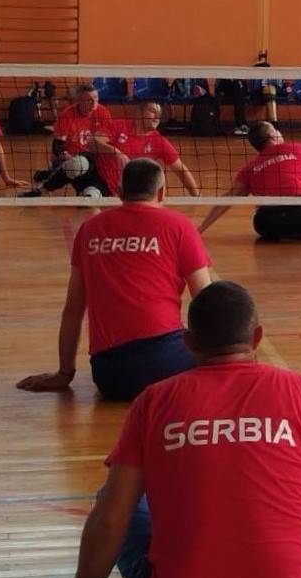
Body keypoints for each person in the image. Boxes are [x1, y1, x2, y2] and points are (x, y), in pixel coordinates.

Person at [70, 281, 301, 578]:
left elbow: (110, 520)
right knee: (294, 531)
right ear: (257, 338)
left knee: (113, 498)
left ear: (188, 342)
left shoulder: (153, 401)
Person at [18, 159, 212, 401]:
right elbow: (209, 303)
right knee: (230, 340)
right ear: (162, 192)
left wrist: (64, 373)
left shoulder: (89, 230)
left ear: (119, 192)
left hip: (110, 375)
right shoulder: (180, 226)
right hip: (168, 363)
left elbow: (73, 310)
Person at [22, 84, 118, 198]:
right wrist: (66, 156)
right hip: (72, 157)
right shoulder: (67, 115)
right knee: (77, 165)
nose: (94, 103)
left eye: (96, 98)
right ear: (79, 101)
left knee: (97, 173)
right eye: (89, 100)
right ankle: (44, 188)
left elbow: (109, 139)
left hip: (94, 158)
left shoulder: (102, 112)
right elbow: (57, 146)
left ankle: (52, 177)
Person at [102, 102, 202, 198]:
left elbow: (181, 170)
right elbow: (95, 142)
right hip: (103, 186)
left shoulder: (159, 141)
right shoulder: (119, 125)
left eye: (159, 114)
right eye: (153, 111)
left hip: (132, 195)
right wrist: (116, 152)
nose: (157, 117)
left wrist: (197, 198)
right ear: (139, 113)